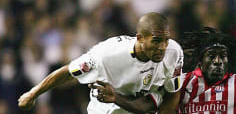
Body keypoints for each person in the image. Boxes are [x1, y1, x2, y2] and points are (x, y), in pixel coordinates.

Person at [18, 12, 184, 113]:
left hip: (138, 107)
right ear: (139, 38)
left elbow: (173, 94)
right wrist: (33, 93)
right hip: (106, 110)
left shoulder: (173, 53)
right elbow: (69, 72)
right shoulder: (108, 54)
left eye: (166, 40)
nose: (162, 47)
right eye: (156, 41)